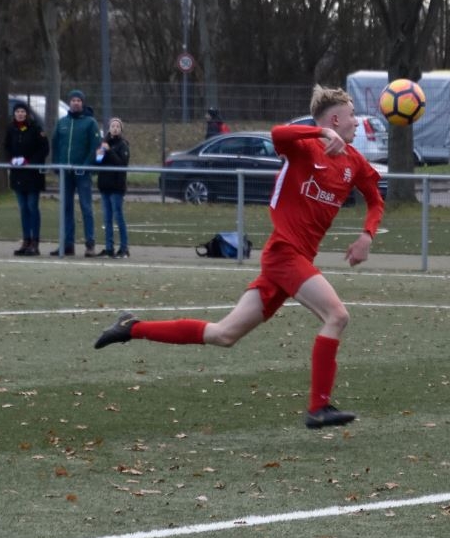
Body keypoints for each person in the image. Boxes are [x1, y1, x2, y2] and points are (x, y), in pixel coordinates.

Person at [94, 85, 385, 429]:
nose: (356, 122)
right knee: (337, 315)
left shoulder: (353, 161)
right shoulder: (304, 146)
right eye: (351, 116)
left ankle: (131, 327)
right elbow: (278, 133)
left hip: (294, 261)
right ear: (334, 120)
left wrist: (367, 235)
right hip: (284, 253)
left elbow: (375, 199)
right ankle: (318, 408)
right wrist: (319, 132)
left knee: (224, 334)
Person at [50, 89, 100, 257]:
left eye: (79, 100)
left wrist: (85, 166)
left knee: (86, 207)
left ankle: (90, 244)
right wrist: (57, 165)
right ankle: (67, 244)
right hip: (66, 173)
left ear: (82, 103)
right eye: (73, 100)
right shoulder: (62, 123)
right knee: (66, 208)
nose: (76, 103)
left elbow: (95, 147)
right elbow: (55, 145)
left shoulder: (90, 123)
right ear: (69, 102)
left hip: (82, 174)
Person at [7, 100, 48, 256]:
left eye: (23, 111)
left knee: (32, 207)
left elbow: (44, 148)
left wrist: (29, 162)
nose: (20, 114)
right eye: (18, 111)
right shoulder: (11, 129)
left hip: (33, 175)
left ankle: (35, 242)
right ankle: (26, 240)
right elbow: (6, 147)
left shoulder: (35, 128)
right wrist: (12, 159)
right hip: (18, 175)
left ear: (27, 113)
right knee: (23, 208)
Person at [96, 116, 130, 258]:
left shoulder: (123, 145)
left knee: (118, 217)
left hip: (116, 186)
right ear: (109, 129)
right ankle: (109, 248)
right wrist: (98, 155)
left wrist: (109, 151)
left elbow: (121, 164)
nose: (115, 129)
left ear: (121, 129)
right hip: (105, 185)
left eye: (117, 126)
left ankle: (124, 248)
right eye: (112, 126)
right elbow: (98, 162)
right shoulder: (104, 143)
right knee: (107, 219)